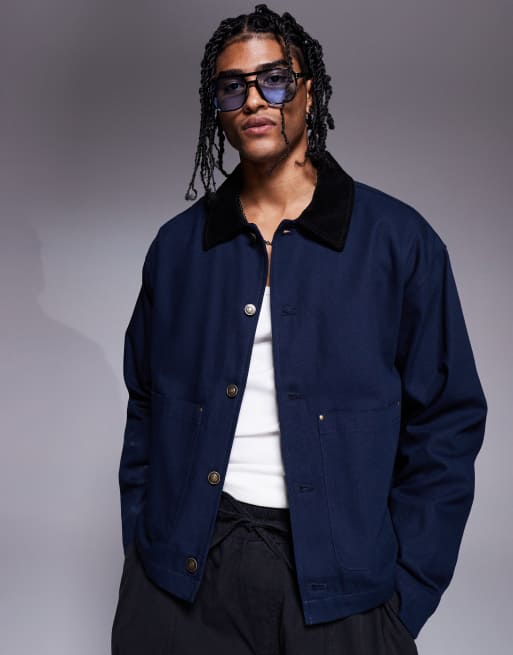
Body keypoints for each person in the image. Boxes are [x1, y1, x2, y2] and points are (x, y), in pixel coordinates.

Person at [111, 4, 487, 654]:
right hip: (183, 583)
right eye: (232, 86)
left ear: (308, 91)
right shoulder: (177, 249)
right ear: (217, 106)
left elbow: (446, 421)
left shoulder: (397, 241)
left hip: (342, 588)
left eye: (274, 79)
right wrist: (147, 552)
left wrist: (404, 595)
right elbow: (144, 404)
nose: (254, 100)